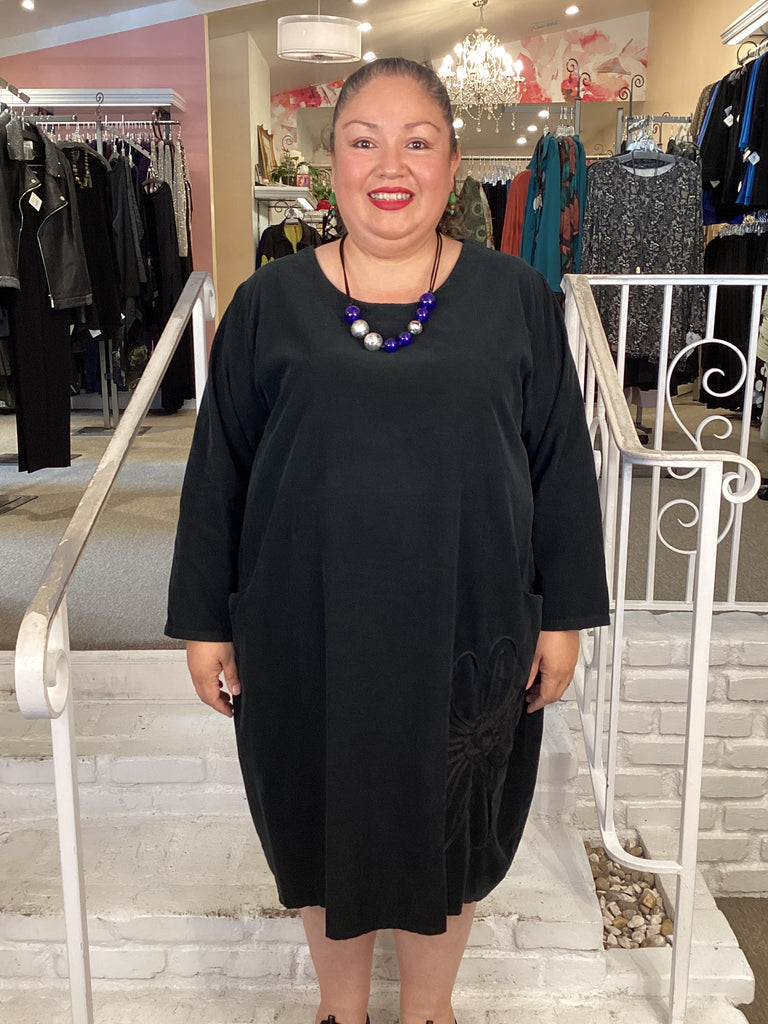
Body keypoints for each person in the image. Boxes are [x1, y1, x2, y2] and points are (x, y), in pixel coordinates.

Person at [166, 56, 609, 1024]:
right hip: (305, 617)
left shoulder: (516, 298)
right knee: (320, 816)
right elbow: (218, 470)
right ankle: (340, 1010)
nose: (391, 165)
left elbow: (559, 466)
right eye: (364, 141)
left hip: (472, 617)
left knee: (454, 823)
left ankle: (430, 1010)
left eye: (418, 141)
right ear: (332, 163)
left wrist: (565, 616)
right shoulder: (268, 302)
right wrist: (206, 621)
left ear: (452, 163)